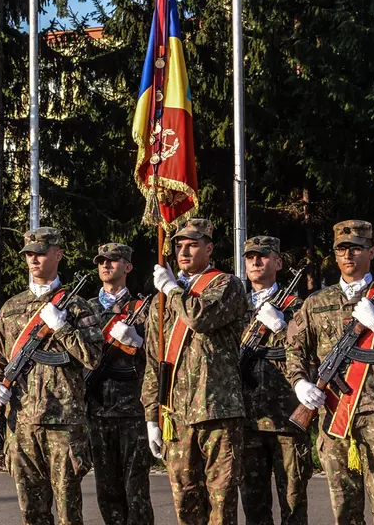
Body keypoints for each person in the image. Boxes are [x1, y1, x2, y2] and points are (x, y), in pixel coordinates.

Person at [284, 220, 374, 525]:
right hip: (334, 417)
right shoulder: (316, 302)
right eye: (341, 249)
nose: (348, 255)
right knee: (345, 510)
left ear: (371, 252)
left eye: (356, 248)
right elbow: (293, 349)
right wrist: (299, 383)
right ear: (334, 255)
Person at [0, 227, 103, 525]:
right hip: (21, 423)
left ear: (57, 254)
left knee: (67, 514)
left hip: (64, 423)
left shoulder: (77, 307)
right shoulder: (11, 307)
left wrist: (62, 328)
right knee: (32, 513)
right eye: (29, 254)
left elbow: (94, 358)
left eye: (41, 253)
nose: (34, 260)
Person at [143, 218, 248, 525]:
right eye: (178, 246)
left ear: (209, 248)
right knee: (186, 500)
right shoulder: (160, 299)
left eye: (192, 245)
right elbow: (153, 360)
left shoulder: (227, 285)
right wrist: (151, 416)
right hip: (176, 416)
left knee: (221, 500)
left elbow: (198, 318)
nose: (184, 252)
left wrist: (172, 289)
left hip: (219, 410)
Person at [238, 236, 310, 525]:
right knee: (254, 506)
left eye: (263, 256)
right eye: (250, 257)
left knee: (293, 504)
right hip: (247, 417)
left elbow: (306, 353)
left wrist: (281, 328)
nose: (256, 261)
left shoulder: (298, 306)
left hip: (289, 416)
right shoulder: (234, 305)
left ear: (278, 262)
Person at [87, 242, 153, 525]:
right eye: (102, 261)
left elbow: (160, 355)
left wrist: (138, 343)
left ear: (127, 266)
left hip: (133, 411)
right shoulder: (85, 308)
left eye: (113, 261)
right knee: (106, 489)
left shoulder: (142, 308)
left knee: (135, 489)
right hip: (97, 410)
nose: (105, 265)